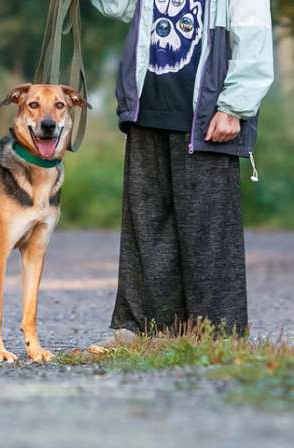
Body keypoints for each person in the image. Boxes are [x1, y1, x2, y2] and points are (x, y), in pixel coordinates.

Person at [89, 0, 274, 340]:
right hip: (146, 110)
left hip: (205, 117)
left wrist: (235, 106)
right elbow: (118, 6)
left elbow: (254, 39)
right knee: (146, 226)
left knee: (209, 233)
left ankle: (218, 335)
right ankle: (146, 330)